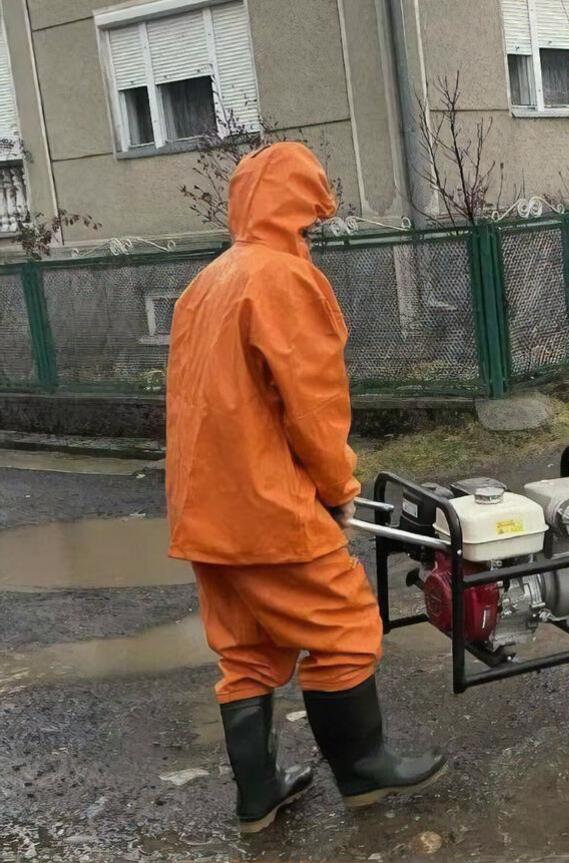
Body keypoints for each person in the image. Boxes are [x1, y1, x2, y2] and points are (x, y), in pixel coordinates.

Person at [166, 142, 445, 834]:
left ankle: (257, 798)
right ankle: (364, 769)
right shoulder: (282, 279)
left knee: (248, 648)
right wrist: (337, 485)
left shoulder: (205, 284)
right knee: (347, 627)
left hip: (205, 509)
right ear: (300, 206)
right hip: (269, 507)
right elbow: (312, 403)